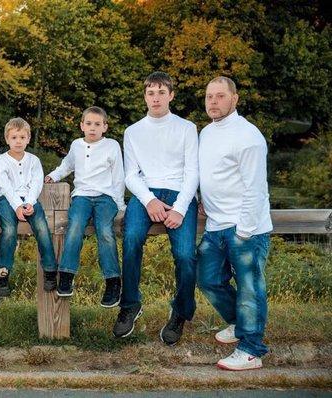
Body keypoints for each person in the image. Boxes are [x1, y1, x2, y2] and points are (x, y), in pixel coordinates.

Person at [113, 72, 199, 346]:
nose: (156, 98)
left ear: (171, 95)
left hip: (180, 194)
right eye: (151, 93)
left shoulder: (186, 128)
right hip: (145, 193)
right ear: (145, 96)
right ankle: (130, 305)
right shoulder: (133, 131)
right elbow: (130, 175)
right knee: (131, 239)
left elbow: (192, 173)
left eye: (162, 92)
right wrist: (149, 200)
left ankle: (180, 312)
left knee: (185, 254)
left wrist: (179, 209)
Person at [197, 76, 272, 371]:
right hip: (215, 225)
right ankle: (239, 323)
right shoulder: (206, 132)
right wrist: (204, 197)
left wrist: (244, 231)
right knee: (208, 280)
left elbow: (256, 188)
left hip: (245, 227)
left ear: (235, 99)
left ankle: (252, 350)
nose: (213, 102)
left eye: (219, 96)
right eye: (208, 97)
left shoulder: (248, 136)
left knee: (249, 288)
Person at [45, 106, 125, 307]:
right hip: (81, 196)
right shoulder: (77, 145)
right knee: (75, 227)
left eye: (97, 124)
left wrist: (120, 204)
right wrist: (52, 176)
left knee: (105, 231)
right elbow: (67, 166)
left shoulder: (112, 146)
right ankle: (66, 275)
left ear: (105, 127)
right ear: (82, 126)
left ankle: (113, 282)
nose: (92, 128)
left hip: (105, 197)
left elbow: (118, 177)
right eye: (88, 123)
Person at [0, 117, 58, 296]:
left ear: (28, 139)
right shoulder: (2, 160)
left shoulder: (34, 160)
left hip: (30, 200)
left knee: (42, 229)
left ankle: (50, 270)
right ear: (7, 139)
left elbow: (37, 182)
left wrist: (29, 203)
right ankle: (2, 272)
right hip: (8, 200)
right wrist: (17, 206)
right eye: (14, 137)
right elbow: (4, 186)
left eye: (22, 137)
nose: (18, 141)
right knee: (8, 231)